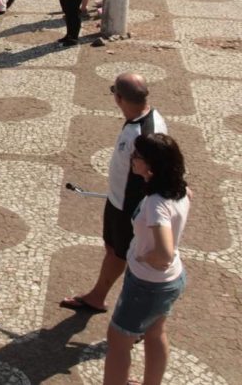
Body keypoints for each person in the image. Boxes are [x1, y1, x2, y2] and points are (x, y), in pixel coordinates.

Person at [62, 73, 166, 314]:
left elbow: (153, 174)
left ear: (118, 98)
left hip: (129, 207)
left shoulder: (144, 135)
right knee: (114, 250)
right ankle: (98, 296)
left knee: (130, 257)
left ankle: (136, 316)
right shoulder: (143, 119)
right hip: (117, 200)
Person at [102, 133, 191, 385]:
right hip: (171, 279)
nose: (132, 159)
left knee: (118, 342)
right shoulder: (181, 189)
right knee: (155, 332)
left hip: (148, 284)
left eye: (137, 156)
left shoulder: (155, 204)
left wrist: (143, 256)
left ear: (151, 164)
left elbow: (163, 254)